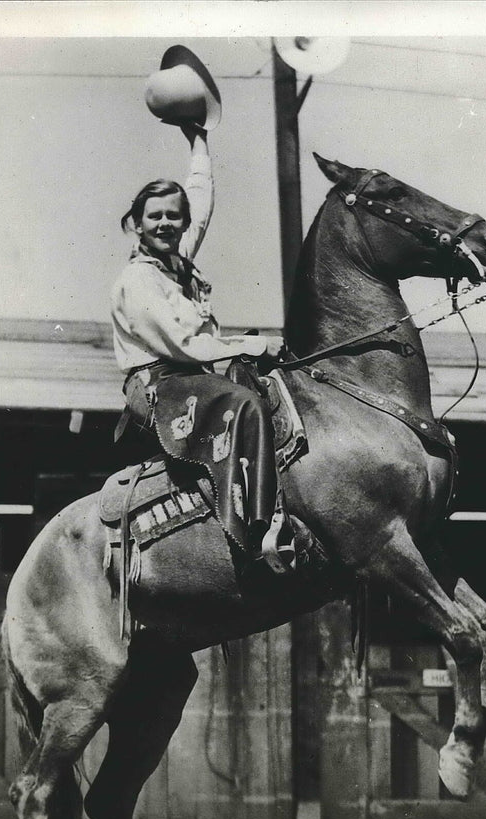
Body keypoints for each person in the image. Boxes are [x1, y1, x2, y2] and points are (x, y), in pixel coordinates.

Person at [110, 123, 294, 572]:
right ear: (136, 223)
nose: (166, 223)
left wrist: (199, 141)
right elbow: (186, 343)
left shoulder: (177, 261)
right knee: (244, 403)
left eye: (174, 216)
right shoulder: (138, 281)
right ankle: (257, 530)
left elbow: (201, 198)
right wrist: (254, 342)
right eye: (154, 216)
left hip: (191, 377)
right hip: (157, 383)